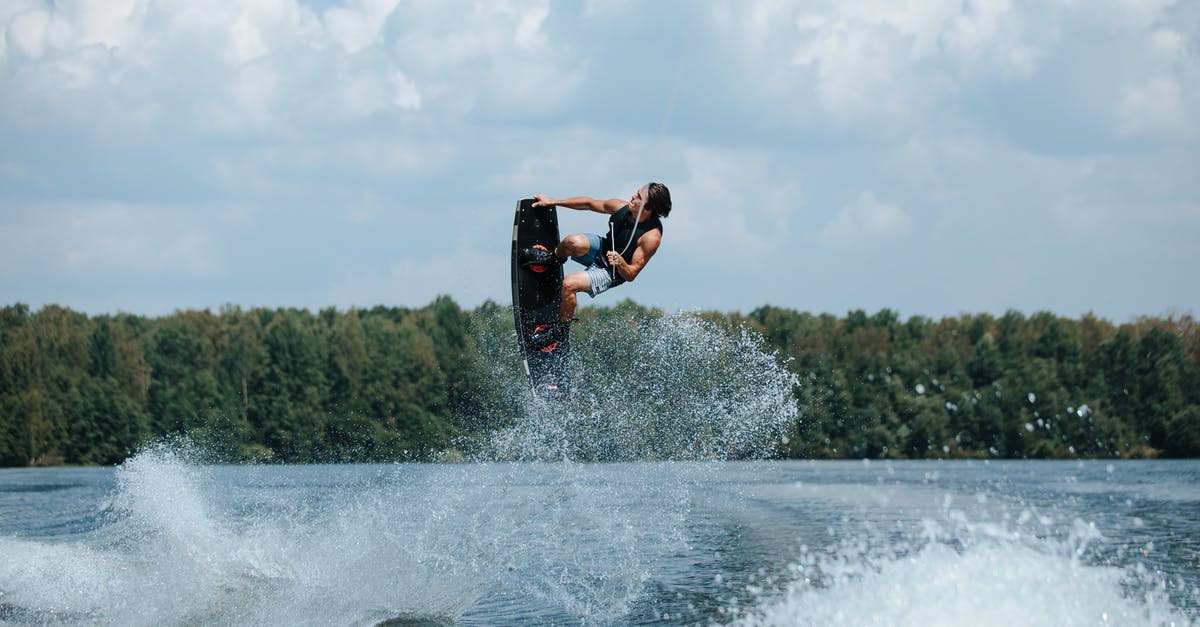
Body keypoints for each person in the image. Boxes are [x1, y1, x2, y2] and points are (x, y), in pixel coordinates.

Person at [521, 182, 672, 348]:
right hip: (602, 250)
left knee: (569, 284)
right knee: (571, 242)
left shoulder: (651, 237)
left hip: (611, 272)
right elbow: (589, 203)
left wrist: (620, 262)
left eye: (638, 197)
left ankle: (559, 331)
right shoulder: (622, 207)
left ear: (647, 208)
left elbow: (631, 274)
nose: (632, 196)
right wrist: (552, 201)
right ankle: (552, 261)